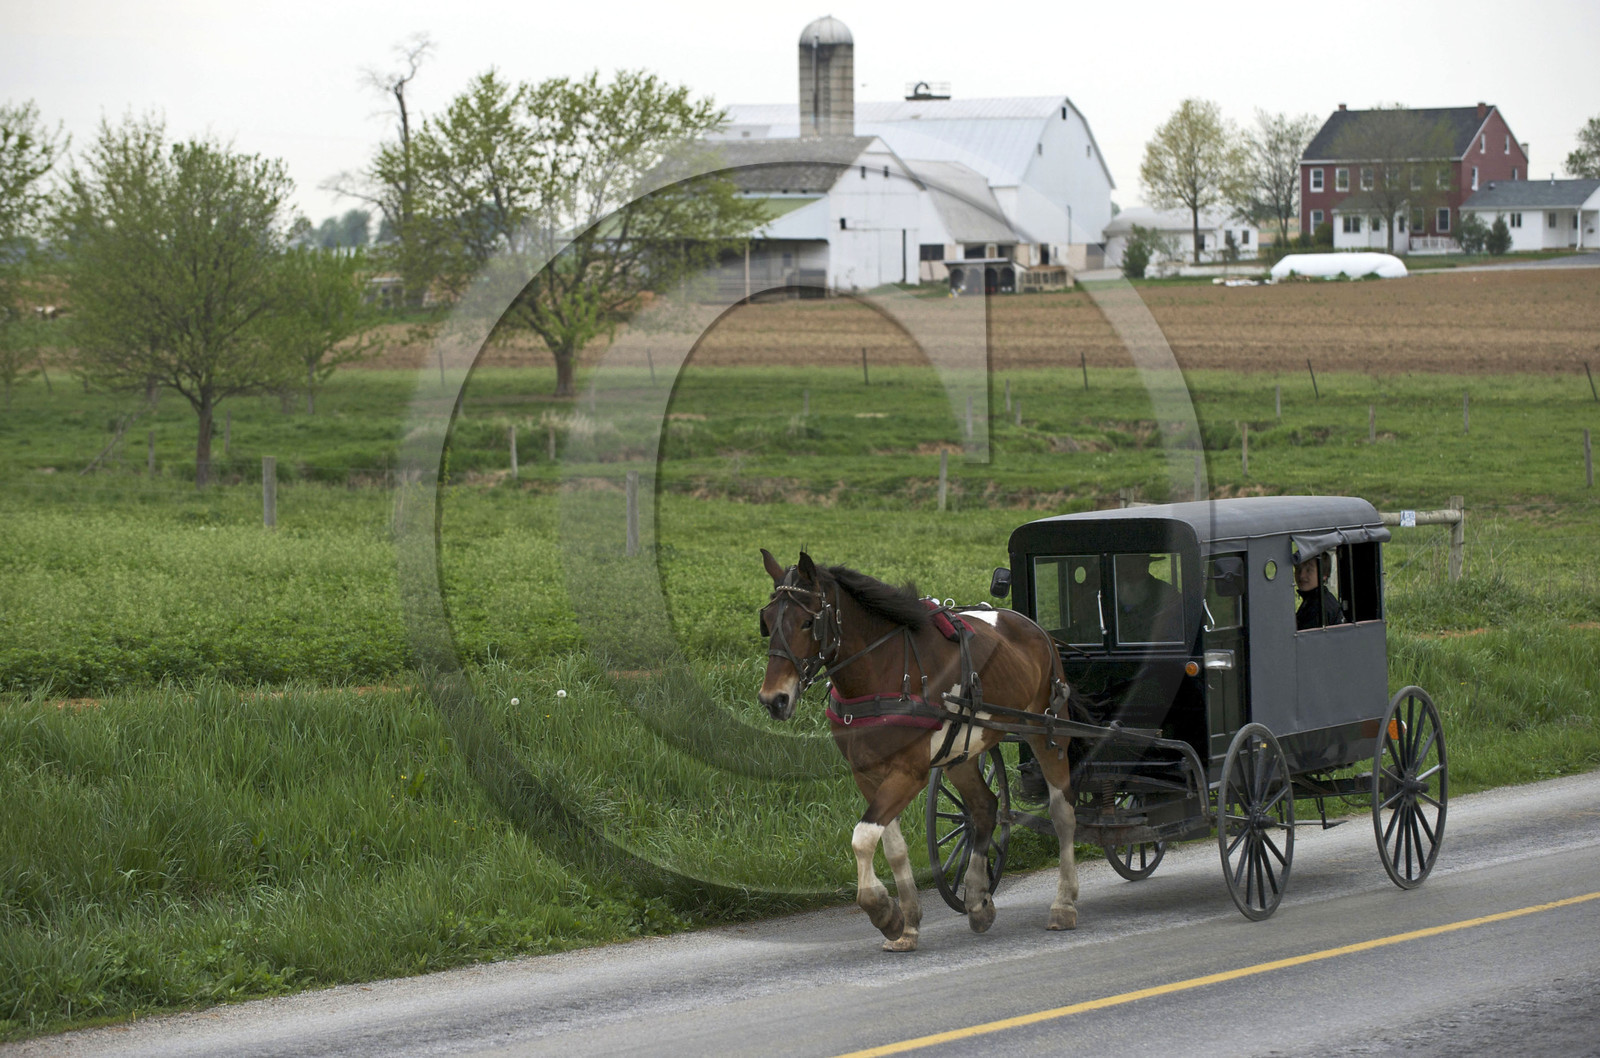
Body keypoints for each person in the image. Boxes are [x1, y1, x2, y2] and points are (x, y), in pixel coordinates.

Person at [1113, 555, 1183, 644]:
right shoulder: (1108, 588)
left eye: (1136, 565)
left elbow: (1174, 630)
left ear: (1145, 566)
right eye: (1123, 565)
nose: (1128, 570)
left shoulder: (1166, 592)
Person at [1294, 552, 1344, 630]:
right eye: (1298, 569)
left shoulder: (1320, 605)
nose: (1301, 575)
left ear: (1324, 574)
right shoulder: (1314, 599)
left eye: (1308, 570)